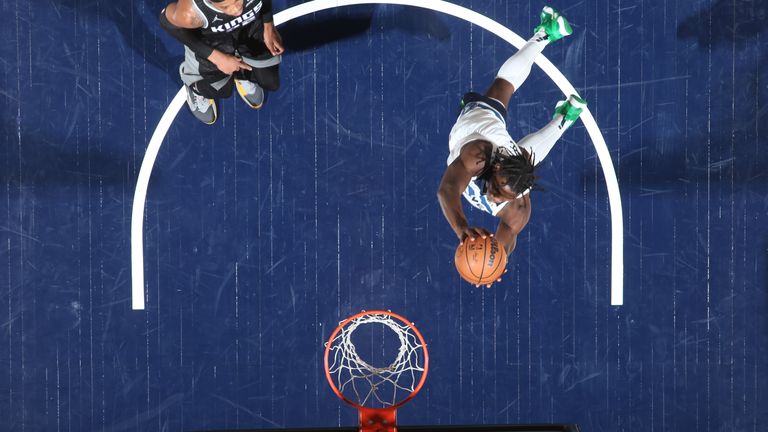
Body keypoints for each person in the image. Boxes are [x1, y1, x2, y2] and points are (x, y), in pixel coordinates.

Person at [437, 6, 586, 287]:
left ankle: (566, 117)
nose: (494, 199)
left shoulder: (517, 207)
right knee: (501, 87)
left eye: (502, 197)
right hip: (478, 125)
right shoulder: (477, 154)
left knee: (526, 160)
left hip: (511, 156)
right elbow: (447, 189)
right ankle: (545, 34)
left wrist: (493, 265)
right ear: (493, 168)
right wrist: (461, 229)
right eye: (495, 191)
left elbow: (503, 243)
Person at [159, 0, 284, 124]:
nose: (236, 10)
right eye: (226, 6)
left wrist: (268, 25)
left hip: (249, 27)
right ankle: (194, 85)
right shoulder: (190, 12)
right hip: (213, 42)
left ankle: (240, 71)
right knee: (222, 90)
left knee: (270, 82)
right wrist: (217, 58)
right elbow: (167, 22)